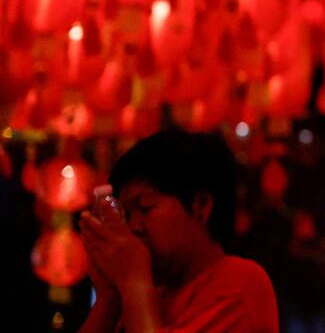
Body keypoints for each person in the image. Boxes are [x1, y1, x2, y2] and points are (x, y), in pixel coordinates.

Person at [79, 129, 279, 333]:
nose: (133, 227)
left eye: (145, 207)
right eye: (127, 215)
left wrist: (135, 284)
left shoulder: (241, 281)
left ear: (201, 206)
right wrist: (109, 299)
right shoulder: (151, 295)